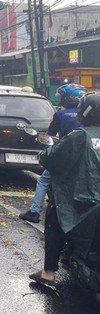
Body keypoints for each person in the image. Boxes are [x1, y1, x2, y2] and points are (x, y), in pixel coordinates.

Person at [29, 91, 100, 287]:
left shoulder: (80, 136)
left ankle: (48, 272)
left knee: (55, 217)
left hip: (85, 200)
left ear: (87, 112)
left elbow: (50, 158)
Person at [19, 84, 87, 223]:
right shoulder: (87, 115)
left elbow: (50, 135)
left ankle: (34, 211)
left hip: (64, 156)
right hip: (85, 157)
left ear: (67, 99)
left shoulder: (60, 114)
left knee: (43, 180)